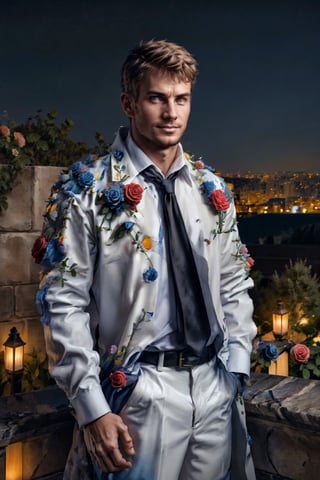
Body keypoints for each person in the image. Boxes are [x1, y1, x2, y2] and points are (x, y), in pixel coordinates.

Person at [32, 39, 257, 480]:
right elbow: (63, 304)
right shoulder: (86, 193)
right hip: (138, 395)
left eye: (181, 99)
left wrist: (236, 369)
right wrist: (93, 409)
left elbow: (233, 283)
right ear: (128, 103)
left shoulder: (212, 191)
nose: (172, 113)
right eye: (157, 98)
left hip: (214, 386)